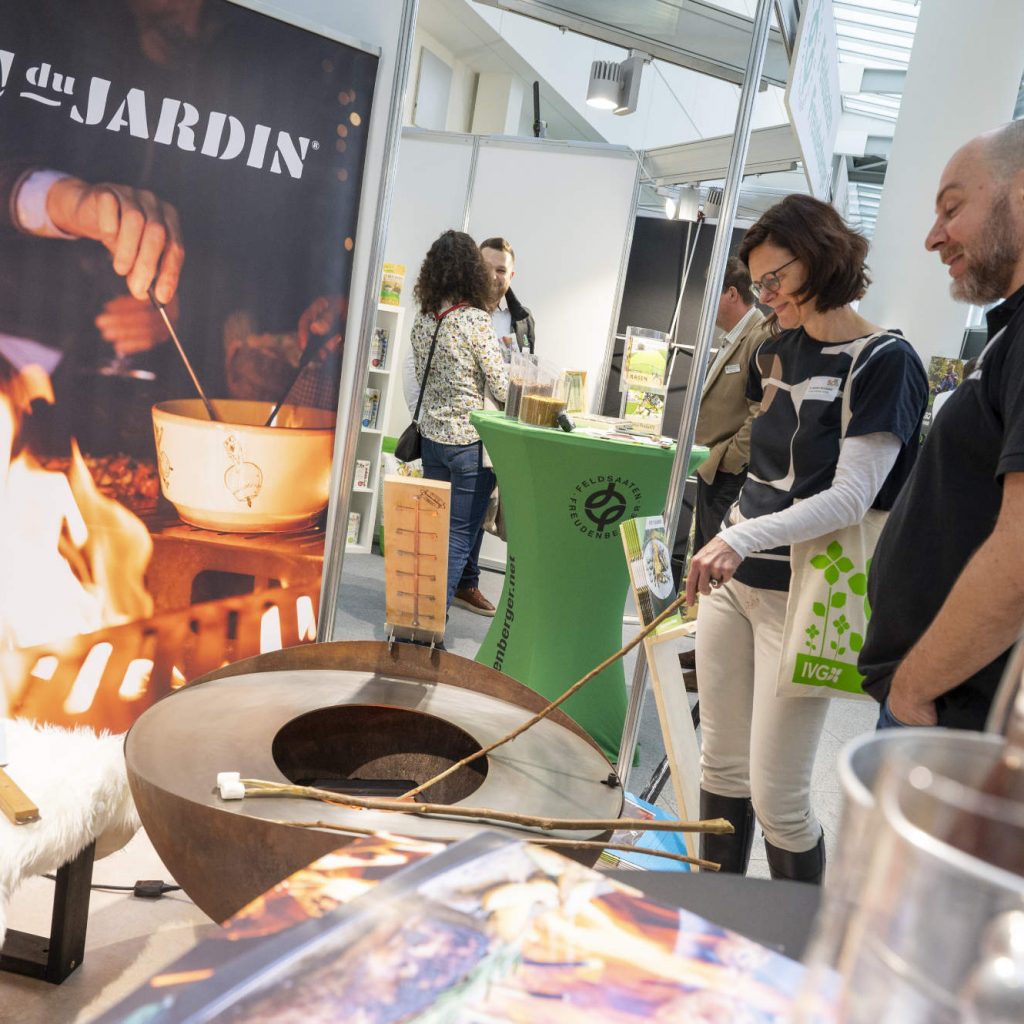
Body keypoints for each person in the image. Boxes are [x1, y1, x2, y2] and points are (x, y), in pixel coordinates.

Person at [686, 194, 928, 882]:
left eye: (775, 279)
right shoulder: (775, 347)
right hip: (733, 585)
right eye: (758, 282)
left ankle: (795, 936)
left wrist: (741, 538)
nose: (765, 296)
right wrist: (731, 533)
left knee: (779, 798)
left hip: (803, 597)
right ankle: (715, 920)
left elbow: (851, 497)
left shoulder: (885, 361)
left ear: (819, 258)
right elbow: (764, 461)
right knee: (720, 767)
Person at [860, 122, 1024, 732]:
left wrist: (913, 689)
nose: (934, 237)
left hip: (952, 715)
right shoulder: (1007, 335)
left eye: (952, 209)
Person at [402, 235, 535, 617]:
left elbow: (422, 375)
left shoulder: (424, 319)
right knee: (459, 537)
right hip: (469, 446)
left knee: (434, 534)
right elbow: (501, 387)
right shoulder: (475, 320)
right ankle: (431, 622)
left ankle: (414, 617)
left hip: (432, 442)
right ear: (472, 271)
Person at [671, 257, 772, 595]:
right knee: (705, 556)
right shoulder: (735, 337)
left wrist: (729, 460)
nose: (706, 305)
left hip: (730, 474)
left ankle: (709, 624)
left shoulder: (760, 337)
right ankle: (701, 625)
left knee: (717, 565)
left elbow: (763, 411)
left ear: (731, 293)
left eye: (712, 293)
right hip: (713, 468)